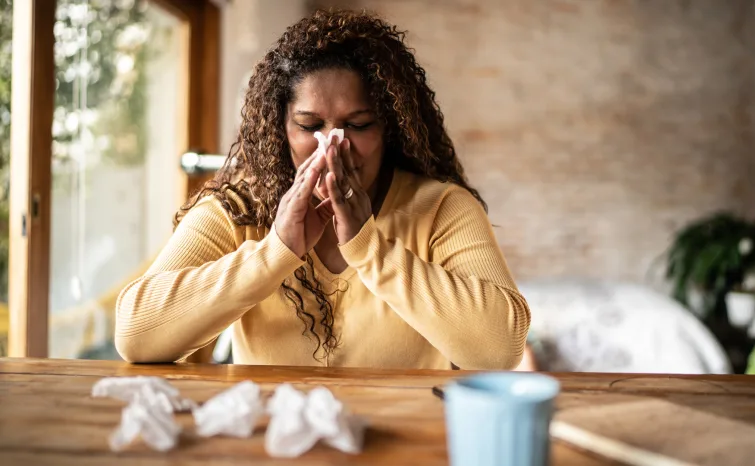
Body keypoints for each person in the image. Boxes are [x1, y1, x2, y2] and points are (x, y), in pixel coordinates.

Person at [114, 9, 530, 370]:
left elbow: (501, 350)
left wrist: (369, 246)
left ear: (391, 128)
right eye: (311, 126)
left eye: (359, 124)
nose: (334, 146)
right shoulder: (238, 208)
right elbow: (135, 335)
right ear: (280, 130)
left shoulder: (440, 208)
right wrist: (277, 250)